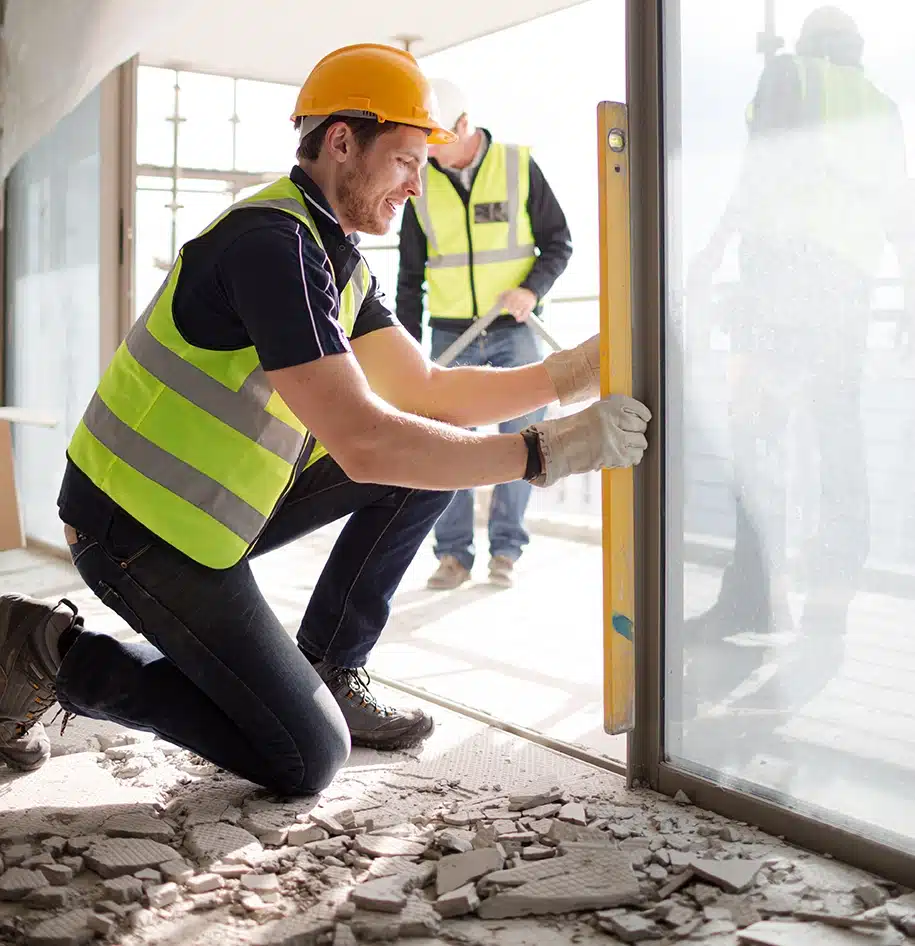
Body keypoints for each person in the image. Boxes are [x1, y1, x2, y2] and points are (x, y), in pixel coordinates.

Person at [0, 44, 650, 792]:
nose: (416, 184)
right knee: (305, 756)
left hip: (208, 511)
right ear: (342, 141)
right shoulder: (269, 245)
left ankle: (330, 666)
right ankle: (51, 653)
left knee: (428, 459)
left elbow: (425, 390)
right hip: (134, 530)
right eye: (407, 161)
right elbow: (367, 441)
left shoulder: (334, 254)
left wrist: (571, 375)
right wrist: (543, 453)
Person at [684, 6, 914, 719]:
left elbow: (763, 170)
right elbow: (895, 210)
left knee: (756, 436)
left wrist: (713, 250)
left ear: (806, 45)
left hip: (783, 279)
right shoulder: (880, 106)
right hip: (845, 287)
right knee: (837, 442)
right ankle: (828, 611)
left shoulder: (787, 75)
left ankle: (751, 598)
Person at [396, 78, 573, 590]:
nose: (427, 154)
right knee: (445, 444)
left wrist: (531, 289)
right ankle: (452, 556)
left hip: (514, 328)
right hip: (450, 333)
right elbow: (411, 277)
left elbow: (559, 243)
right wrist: (405, 350)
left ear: (464, 126)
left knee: (524, 439)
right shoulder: (420, 184)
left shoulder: (517, 167)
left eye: (436, 141)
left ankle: (507, 551)